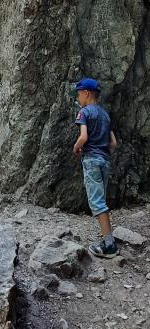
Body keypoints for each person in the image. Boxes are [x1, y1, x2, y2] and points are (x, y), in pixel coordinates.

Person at [73, 77, 119, 258]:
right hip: (105, 160)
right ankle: (108, 240)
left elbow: (83, 137)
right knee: (101, 201)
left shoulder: (84, 112)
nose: (78, 99)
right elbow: (113, 143)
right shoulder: (105, 114)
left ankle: (109, 245)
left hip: (91, 159)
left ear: (86, 93)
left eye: (78, 95)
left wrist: (76, 147)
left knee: (97, 203)